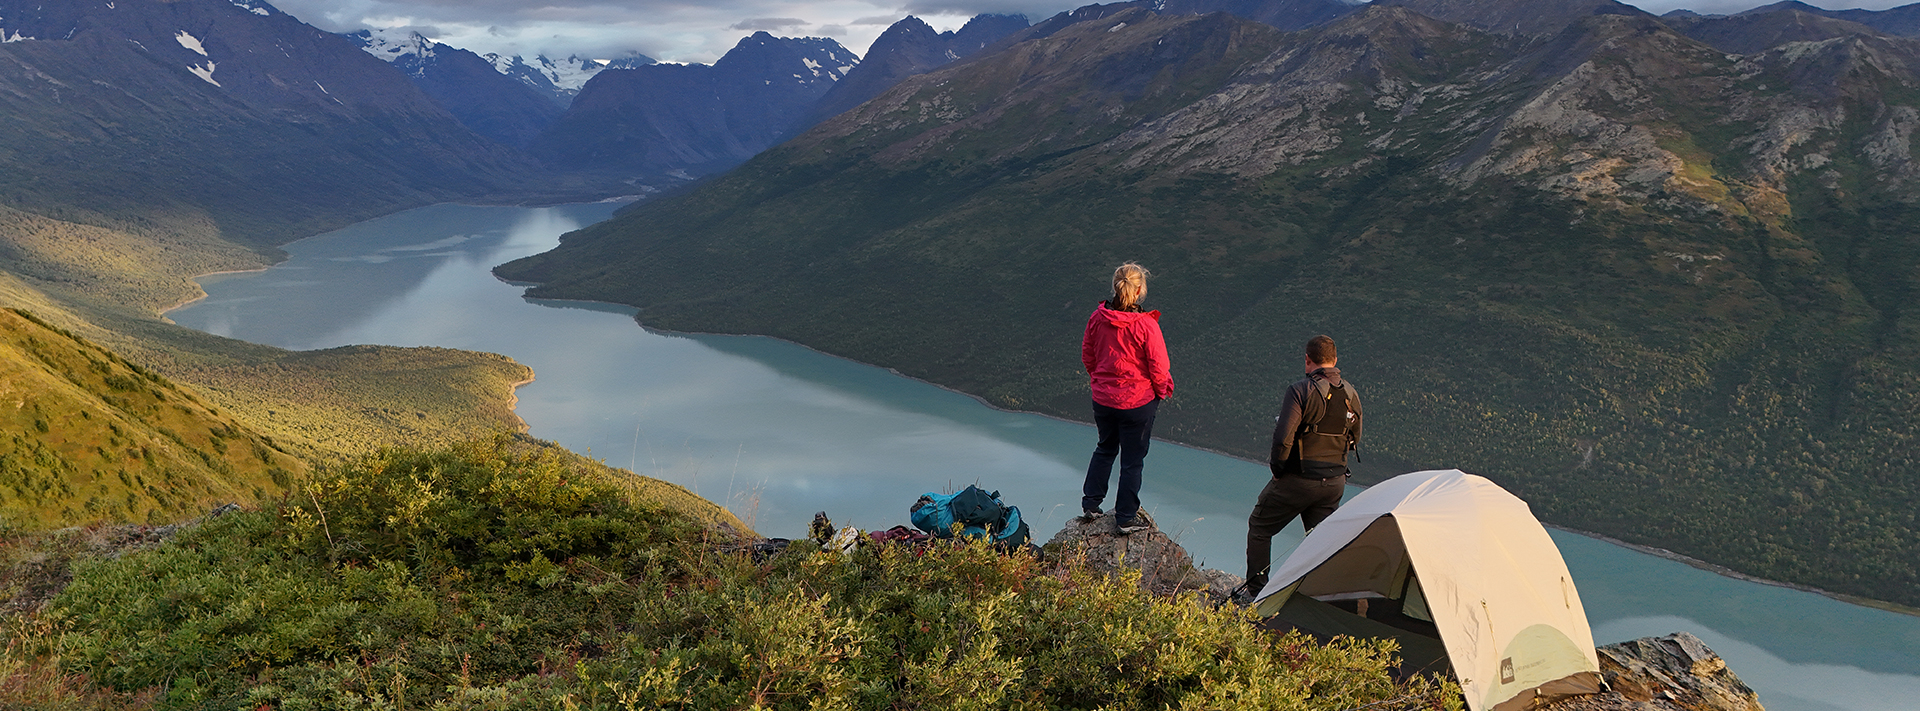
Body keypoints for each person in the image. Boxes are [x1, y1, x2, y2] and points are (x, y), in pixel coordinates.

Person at [1242, 334, 1362, 598]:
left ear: (1307, 360)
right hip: (1334, 483)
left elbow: (1283, 437)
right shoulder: (1351, 394)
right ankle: (1320, 597)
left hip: (1299, 478)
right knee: (1321, 541)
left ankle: (1256, 594)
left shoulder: (1300, 390)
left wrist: (1279, 470)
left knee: (1260, 528)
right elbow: (1355, 437)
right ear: (1335, 360)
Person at [1080, 263, 1173, 535]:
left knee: (1105, 448)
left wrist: (1100, 379)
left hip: (1104, 399)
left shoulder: (1098, 318)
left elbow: (1088, 354)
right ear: (1140, 290)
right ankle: (1125, 518)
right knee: (1132, 461)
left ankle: (1091, 504)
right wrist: (1162, 390)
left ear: (1115, 286)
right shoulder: (1146, 325)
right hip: (1138, 402)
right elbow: (1159, 365)